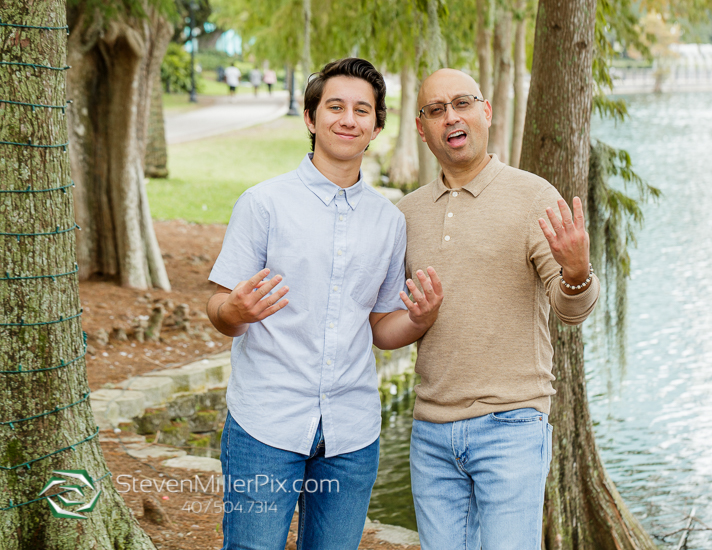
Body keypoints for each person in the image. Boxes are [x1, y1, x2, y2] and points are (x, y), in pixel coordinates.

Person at [207, 58, 443, 549]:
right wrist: (237, 312)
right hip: (266, 426)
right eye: (335, 106)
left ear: (376, 127)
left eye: (363, 110)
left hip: (351, 434)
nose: (348, 119)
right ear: (311, 118)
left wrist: (420, 319)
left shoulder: (389, 221)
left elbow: (380, 327)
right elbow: (220, 309)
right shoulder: (263, 203)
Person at [395, 68, 600, 550]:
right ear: (421, 128)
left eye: (462, 103)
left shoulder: (533, 197)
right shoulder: (404, 215)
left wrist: (576, 272)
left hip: (511, 426)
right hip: (430, 433)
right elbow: (387, 318)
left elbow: (572, 310)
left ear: (485, 112)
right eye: (435, 110)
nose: (451, 117)